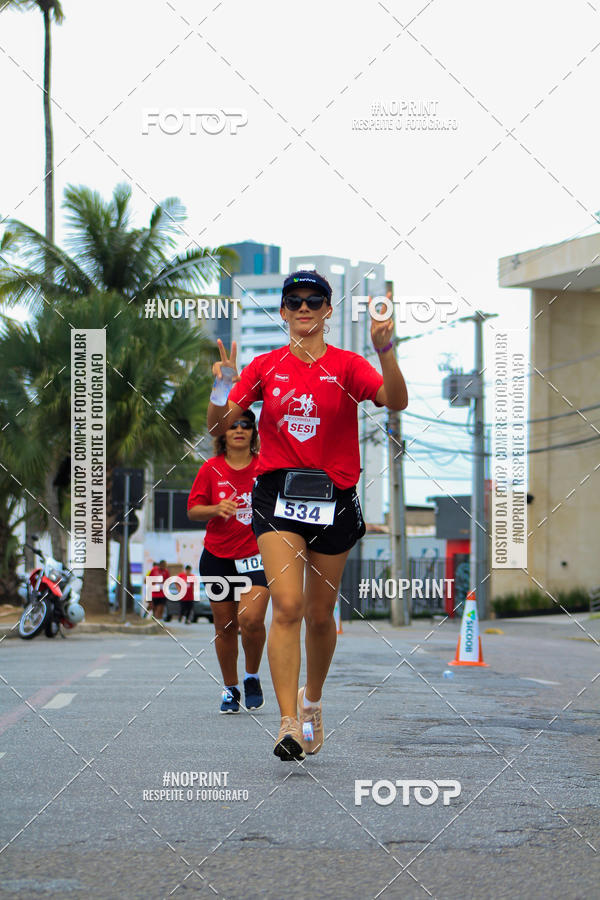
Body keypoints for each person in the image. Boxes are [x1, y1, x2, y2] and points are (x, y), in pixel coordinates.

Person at [207, 270, 408, 761]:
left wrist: (387, 352)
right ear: (281, 311)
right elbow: (218, 424)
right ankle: (287, 722)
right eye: (293, 301)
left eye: (313, 301)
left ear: (327, 311)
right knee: (289, 605)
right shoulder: (265, 366)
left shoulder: (348, 365)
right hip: (278, 496)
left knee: (321, 617)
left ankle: (312, 702)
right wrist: (223, 390)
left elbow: (396, 401)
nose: (303, 308)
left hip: (334, 496)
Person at [188, 408, 270, 714]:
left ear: (253, 432)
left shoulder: (266, 466)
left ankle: (252, 676)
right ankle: (231, 687)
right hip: (218, 558)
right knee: (225, 626)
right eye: (233, 425)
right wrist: (215, 508)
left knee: (251, 620)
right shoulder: (211, 469)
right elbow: (193, 510)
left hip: (256, 557)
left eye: (245, 425)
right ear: (223, 433)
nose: (239, 429)